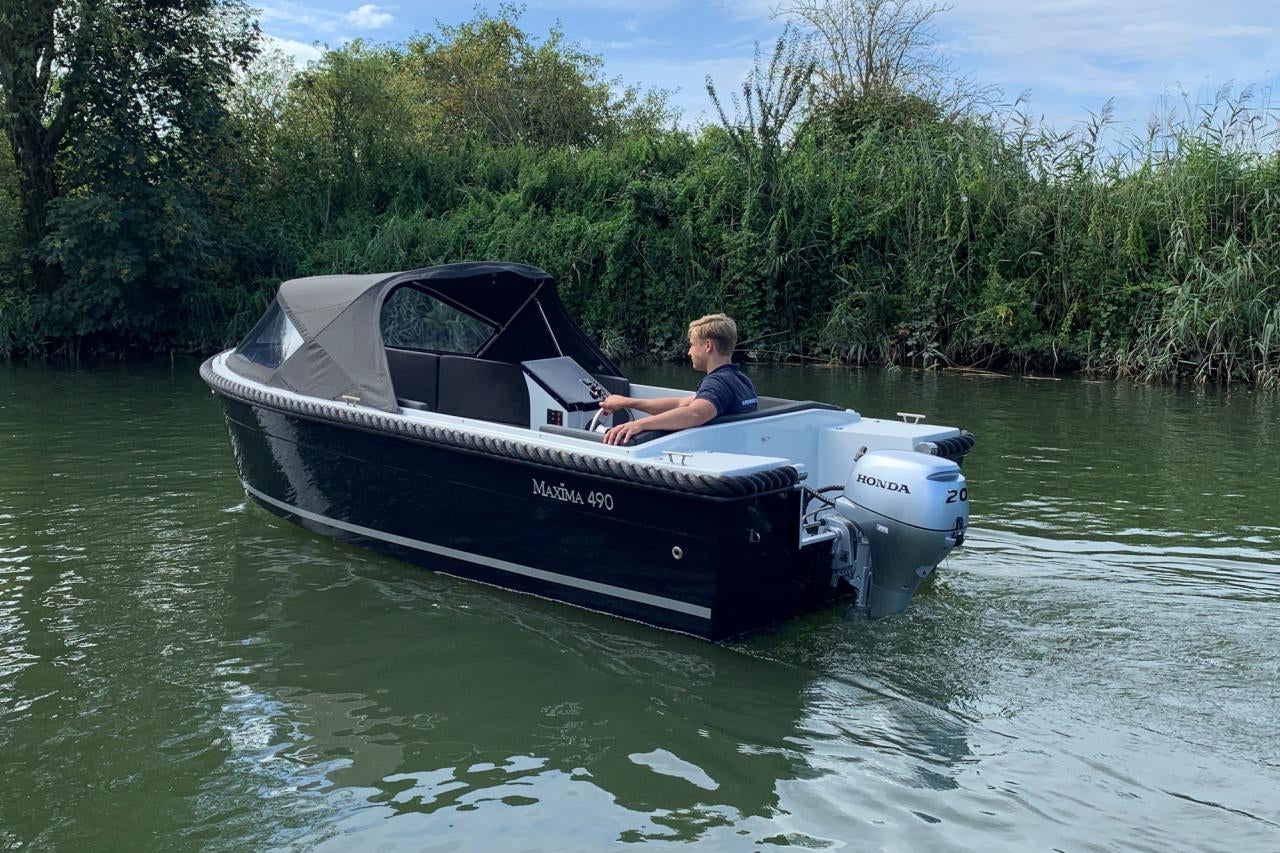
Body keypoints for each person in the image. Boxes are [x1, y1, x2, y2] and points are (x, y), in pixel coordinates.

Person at [602, 313, 757, 446]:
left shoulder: (717, 383)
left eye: (692, 345)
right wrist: (626, 402)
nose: (689, 352)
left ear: (708, 345)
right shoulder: (741, 381)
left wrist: (640, 424)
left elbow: (695, 414)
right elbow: (680, 404)